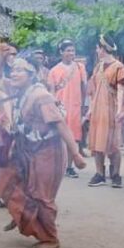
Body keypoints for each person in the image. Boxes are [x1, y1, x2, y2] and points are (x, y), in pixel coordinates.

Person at [0, 52, 86, 248]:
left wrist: (75, 154)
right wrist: (0, 57)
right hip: (25, 150)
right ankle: (22, 217)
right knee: (6, 178)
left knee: (41, 195)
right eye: (13, 69)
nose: (14, 74)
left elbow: (60, 125)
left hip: (47, 152)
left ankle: (50, 238)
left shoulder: (40, 96)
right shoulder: (18, 89)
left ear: (31, 74)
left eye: (19, 70)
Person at [86, 36, 124, 188]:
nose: (97, 51)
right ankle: (99, 174)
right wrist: (90, 109)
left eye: (98, 48)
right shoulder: (98, 67)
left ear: (103, 49)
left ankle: (116, 174)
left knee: (114, 143)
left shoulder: (119, 67)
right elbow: (93, 90)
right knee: (98, 141)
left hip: (111, 109)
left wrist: (118, 111)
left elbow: (121, 91)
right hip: (98, 109)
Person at [47, 40, 87, 178]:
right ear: (61, 52)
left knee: (73, 138)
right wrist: (53, 106)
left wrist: (84, 106)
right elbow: (51, 91)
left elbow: (84, 87)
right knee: (59, 138)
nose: (71, 53)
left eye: (73, 50)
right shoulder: (54, 70)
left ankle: (69, 167)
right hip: (60, 108)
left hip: (75, 106)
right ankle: (59, 166)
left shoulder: (80, 68)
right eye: (68, 50)